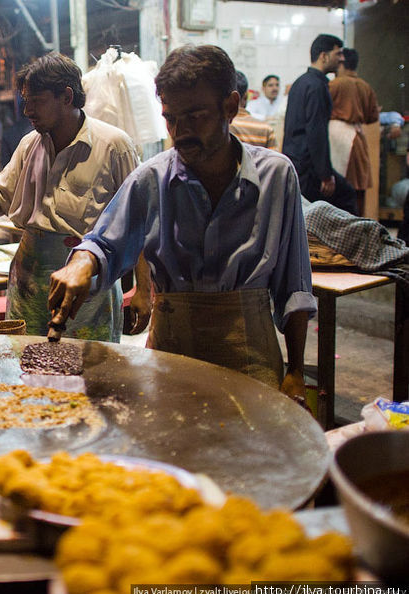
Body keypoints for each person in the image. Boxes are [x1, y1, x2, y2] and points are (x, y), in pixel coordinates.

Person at [48, 45, 317, 403]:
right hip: (171, 352)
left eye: (195, 116)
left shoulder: (276, 176)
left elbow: (293, 285)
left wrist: (296, 372)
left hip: (250, 359)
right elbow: (105, 242)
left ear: (230, 106)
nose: (180, 131)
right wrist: (81, 263)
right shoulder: (151, 178)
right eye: (171, 117)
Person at [0, 52, 147, 342]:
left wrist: (145, 291)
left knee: (89, 372)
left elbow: (139, 222)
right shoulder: (29, 144)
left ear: (67, 96)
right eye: (26, 101)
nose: (27, 110)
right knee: (28, 371)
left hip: (88, 283)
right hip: (29, 280)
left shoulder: (114, 145)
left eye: (36, 101)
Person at [283, 34, 358, 215]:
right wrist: (325, 175)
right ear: (324, 56)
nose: (341, 58)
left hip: (296, 163)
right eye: (338, 54)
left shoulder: (300, 82)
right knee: (346, 196)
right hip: (309, 169)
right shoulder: (317, 86)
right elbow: (316, 131)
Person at [328, 48, 380, 215]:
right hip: (358, 139)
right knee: (358, 191)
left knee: (337, 189)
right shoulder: (366, 87)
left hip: (337, 139)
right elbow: (373, 117)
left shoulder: (334, 84)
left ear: (341, 62)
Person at [230, 71, 277, 149]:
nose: (274, 88)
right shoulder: (266, 129)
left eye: (276, 85)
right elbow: (275, 160)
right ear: (246, 97)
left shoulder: (219, 127)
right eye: (271, 85)